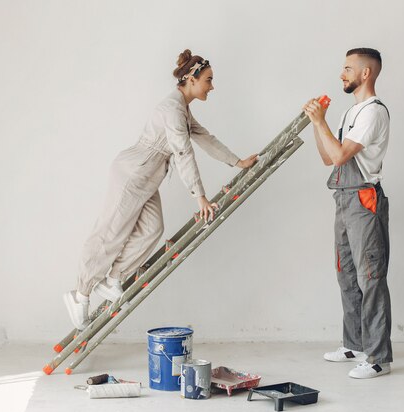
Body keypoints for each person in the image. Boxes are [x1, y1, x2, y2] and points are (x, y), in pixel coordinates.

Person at [63, 49, 258, 330]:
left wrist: (237, 162)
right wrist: (199, 196)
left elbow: (206, 139)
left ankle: (112, 280)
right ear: (191, 79)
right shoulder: (172, 110)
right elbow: (182, 151)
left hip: (148, 176)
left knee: (152, 229)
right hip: (133, 174)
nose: (212, 86)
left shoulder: (183, 109)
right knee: (110, 234)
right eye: (209, 80)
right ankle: (80, 294)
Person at [303, 47, 392, 379]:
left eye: (347, 69)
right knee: (347, 273)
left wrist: (320, 120)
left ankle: (377, 357)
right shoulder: (349, 113)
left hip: (364, 201)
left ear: (365, 74)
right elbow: (328, 158)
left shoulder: (373, 112)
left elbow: (340, 155)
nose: (342, 74)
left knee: (371, 277)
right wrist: (318, 124)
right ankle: (354, 343)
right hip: (343, 198)